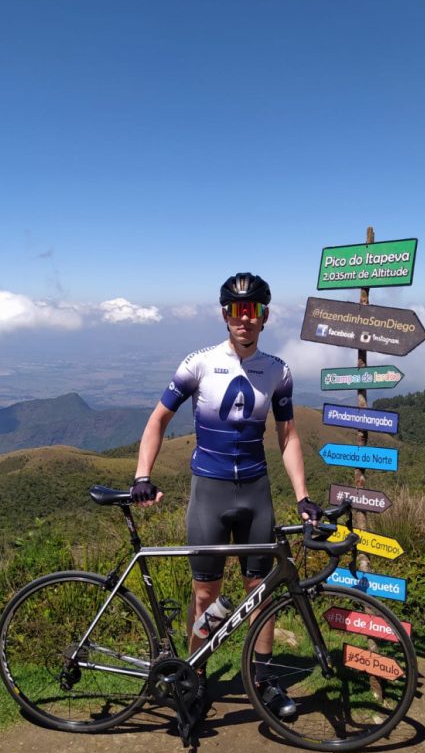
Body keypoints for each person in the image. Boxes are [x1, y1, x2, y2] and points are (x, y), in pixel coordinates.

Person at [131, 272, 322, 719]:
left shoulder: (277, 371)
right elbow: (158, 420)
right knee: (205, 594)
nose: (245, 318)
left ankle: (264, 679)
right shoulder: (198, 363)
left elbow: (288, 435)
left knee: (261, 591)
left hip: (256, 492)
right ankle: (193, 678)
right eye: (237, 310)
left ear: (265, 316)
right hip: (209, 493)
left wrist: (303, 496)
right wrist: (142, 475)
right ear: (224, 314)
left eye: (253, 310)